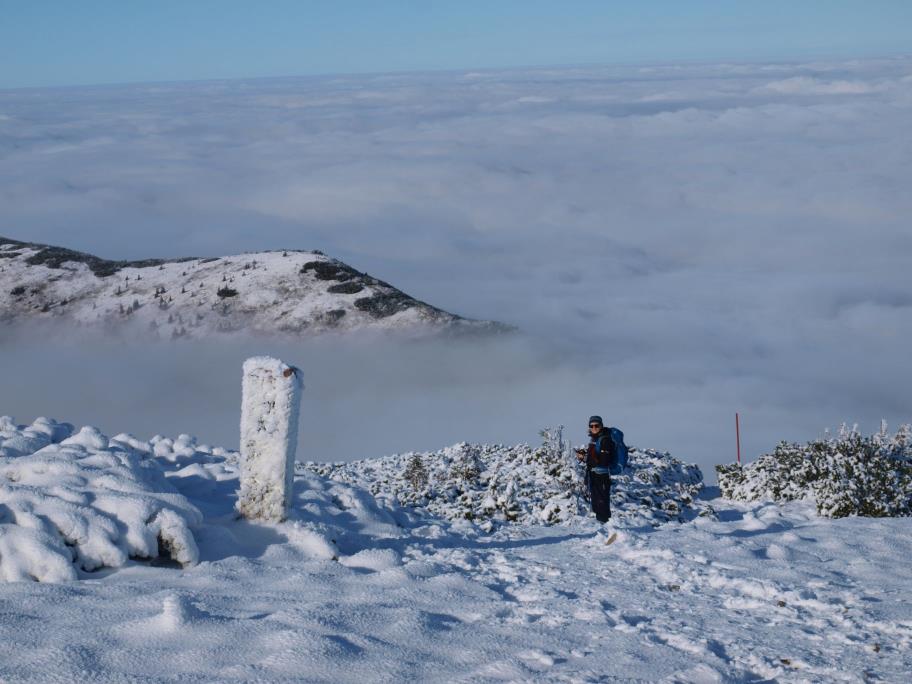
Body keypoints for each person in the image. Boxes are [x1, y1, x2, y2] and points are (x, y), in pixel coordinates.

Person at [575, 415, 615, 523]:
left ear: (601, 426)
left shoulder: (605, 440)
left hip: (601, 476)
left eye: (596, 425)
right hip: (594, 476)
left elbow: (603, 461)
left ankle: (606, 528)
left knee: (601, 503)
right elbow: (594, 457)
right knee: (597, 504)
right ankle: (602, 529)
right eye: (591, 426)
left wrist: (585, 457)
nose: (594, 428)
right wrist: (585, 455)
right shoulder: (595, 439)